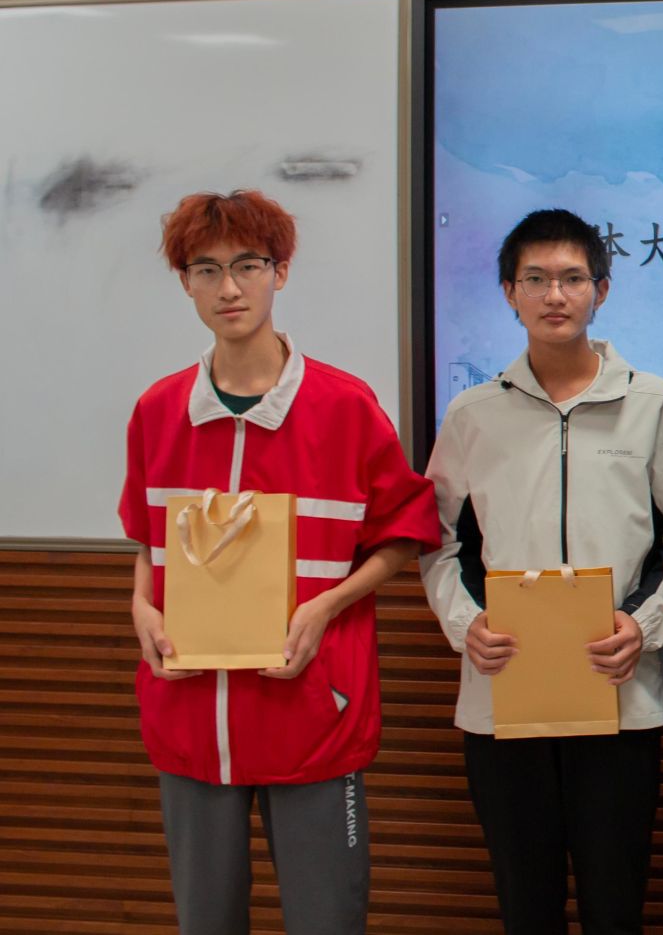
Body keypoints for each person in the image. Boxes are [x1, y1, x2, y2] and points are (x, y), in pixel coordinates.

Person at [120, 189, 440, 935]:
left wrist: (326, 605)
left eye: (248, 265)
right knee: (206, 922)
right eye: (206, 269)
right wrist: (141, 605)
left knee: (327, 919)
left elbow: (405, 532)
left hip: (313, 711)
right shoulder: (157, 410)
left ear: (280, 272)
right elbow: (147, 538)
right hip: (191, 716)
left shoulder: (344, 406)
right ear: (185, 282)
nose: (229, 287)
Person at [420, 208, 663, 935]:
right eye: (536, 279)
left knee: (616, 901)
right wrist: (466, 624)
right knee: (526, 901)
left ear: (601, 290)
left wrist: (642, 626)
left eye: (573, 278)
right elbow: (438, 542)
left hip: (620, 692)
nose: (554, 295)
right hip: (505, 691)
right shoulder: (473, 414)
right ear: (509, 292)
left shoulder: (655, 404)